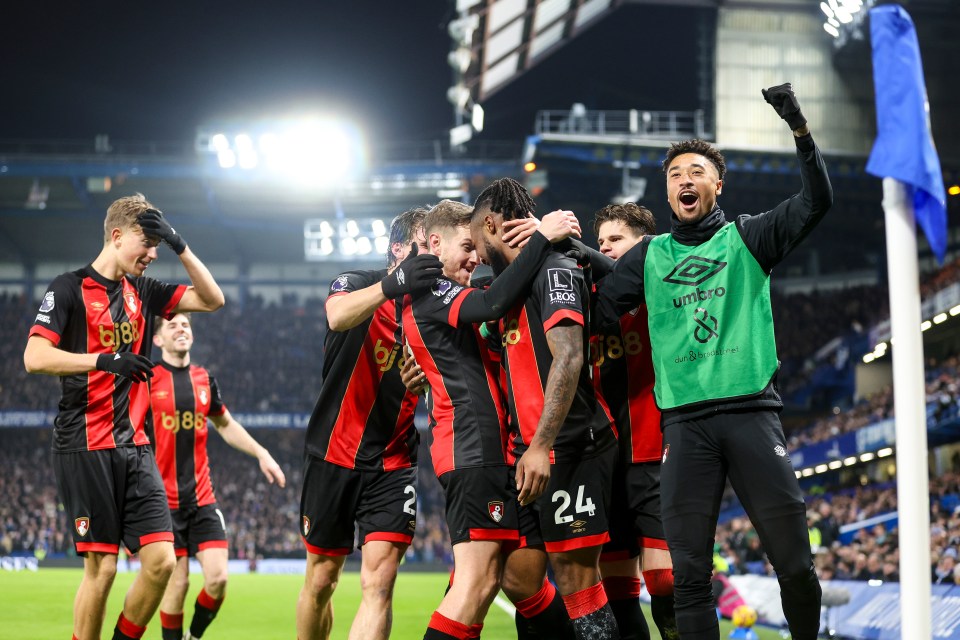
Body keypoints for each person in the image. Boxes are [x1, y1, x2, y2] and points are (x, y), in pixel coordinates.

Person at [592, 83, 833, 639]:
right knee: (689, 578)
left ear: (716, 184)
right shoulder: (649, 257)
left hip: (751, 414)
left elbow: (816, 202)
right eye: (675, 175)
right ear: (668, 192)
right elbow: (599, 309)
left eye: (695, 171)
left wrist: (799, 129)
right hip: (685, 425)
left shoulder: (747, 237)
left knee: (795, 565)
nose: (684, 180)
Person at [23, 194, 225, 640]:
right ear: (117, 236)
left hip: (136, 447)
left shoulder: (146, 293)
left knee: (162, 562)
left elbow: (213, 299)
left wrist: (179, 244)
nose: (153, 254)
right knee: (104, 568)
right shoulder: (68, 287)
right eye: (147, 243)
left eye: (158, 244)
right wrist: (104, 360)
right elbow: (34, 357)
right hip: (85, 444)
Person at [399, 200, 581, 640]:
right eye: (466, 246)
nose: (475, 258)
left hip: (489, 453)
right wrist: (542, 236)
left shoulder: (449, 297)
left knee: (522, 581)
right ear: (435, 243)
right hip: (474, 454)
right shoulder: (431, 291)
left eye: (477, 248)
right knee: (475, 586)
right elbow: (495, 300)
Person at [471, 178, 620, 639]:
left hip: (570, 447)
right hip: (528, 453)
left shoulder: (555, 268)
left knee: (578, 581)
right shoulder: (508, 285)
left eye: (476, 239)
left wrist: (540, 445)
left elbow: (570, 357)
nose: (476, 254)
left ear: (493, 225)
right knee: (518, 578)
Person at [296, 206, 442, 640]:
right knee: (322, 580)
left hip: (393, 462)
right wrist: (393, 284)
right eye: (421, 248)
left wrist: (426, 382)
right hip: (333, 453)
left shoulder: (435, 309)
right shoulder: (357, 282)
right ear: (397, 251)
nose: (429, 259)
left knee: (379, 585)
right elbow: (337, 316)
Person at [149, 312, 286, 640]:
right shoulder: (147, 379)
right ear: (157, 339)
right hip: (163, 504)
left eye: (186, 324)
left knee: (218, 579)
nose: (181, 329)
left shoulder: (204, 379)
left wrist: (261, 453)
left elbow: (224, 424)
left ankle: (193, 636)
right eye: (172, 326)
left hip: (202, 498)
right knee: (177, 583)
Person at [591, 203, 678, 640]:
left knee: (667, 581)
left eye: (616, 239)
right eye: (600, 241)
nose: (605, 247)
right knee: (617, 589)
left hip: (654, 453)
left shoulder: (661, 289)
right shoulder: (586, 303)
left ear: (642, 244)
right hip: (604, 464)